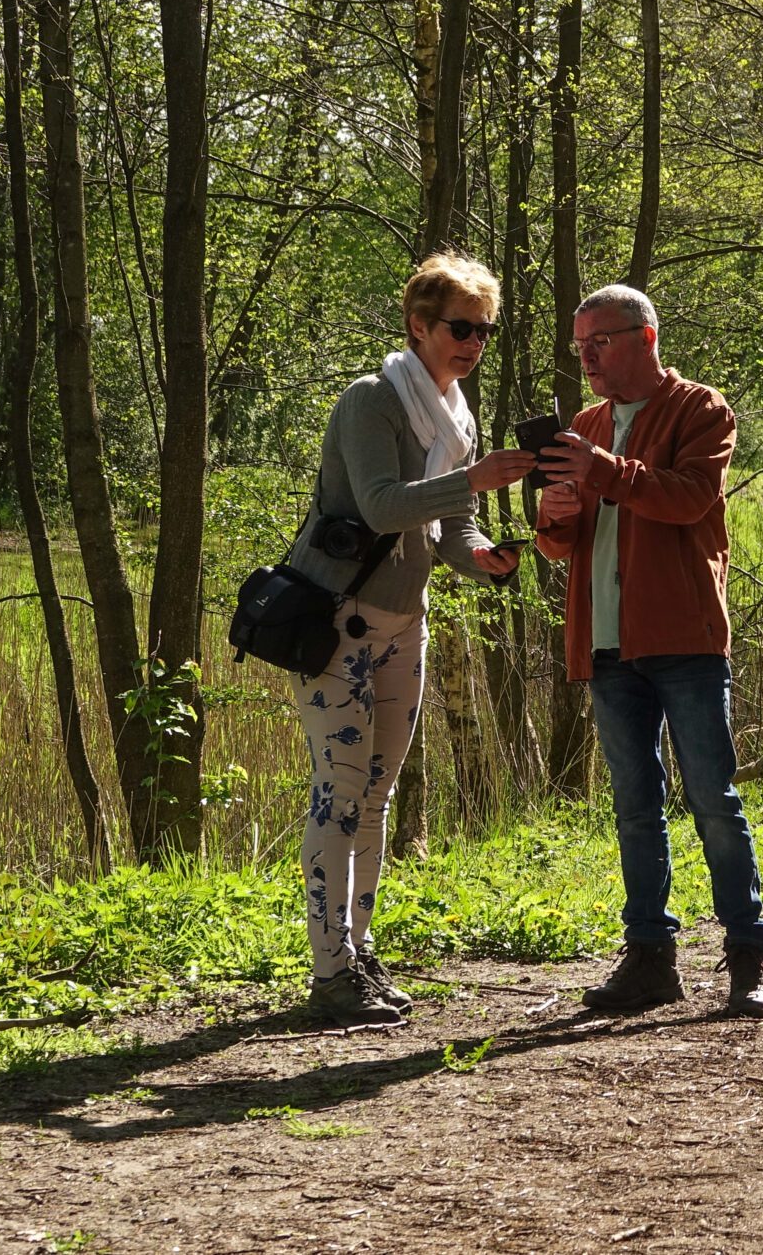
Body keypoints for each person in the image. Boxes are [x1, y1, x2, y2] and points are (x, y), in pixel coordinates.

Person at [291, 251, 536, 1025]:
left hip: (406, 624)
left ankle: (357, 955)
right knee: (337, 795)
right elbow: (379, 506)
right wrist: (476, 478)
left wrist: (481, 555)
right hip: (338, 622)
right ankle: (327, 971)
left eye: (485, 331)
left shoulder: (456, 414)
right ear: (419, 326)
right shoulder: (373, 401)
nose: (473, 344)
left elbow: (450, 526)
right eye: (460, 328)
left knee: (376, 795)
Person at [534, 283, 763, 1018]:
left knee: (712, 799)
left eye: (598, 342)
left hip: (684, 639)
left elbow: (686, 498)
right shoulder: (586, 423)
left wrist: (599, 471)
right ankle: (649, 961)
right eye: (578, 346)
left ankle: (747, 957)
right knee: (635, 808)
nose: (587, 358)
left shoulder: (701, 408)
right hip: (607, 645)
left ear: (644, 337)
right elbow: (560, 545)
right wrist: (554, 516)